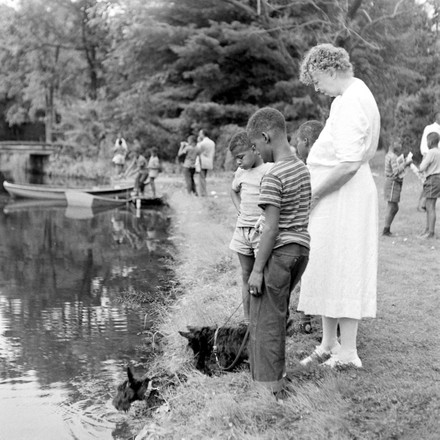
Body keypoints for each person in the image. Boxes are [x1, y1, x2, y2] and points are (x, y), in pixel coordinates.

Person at [297, 43, 380, 369]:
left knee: (344, 265)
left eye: (317, 80)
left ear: (331, 70)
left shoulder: (353, 100)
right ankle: (329, 343)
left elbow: (348, 164)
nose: (317, 89)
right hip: (337, 197)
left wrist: (315, 195)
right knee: (326, 264)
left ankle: (348, 352)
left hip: (345, 196)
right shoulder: (348, 96)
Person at [246, 107, 311, 395]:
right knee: (278, 313)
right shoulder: (301, 168)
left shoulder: (273, 175)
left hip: (280, 253)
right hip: (301, 251)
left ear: (265, 136)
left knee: (265, 321)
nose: (257, 153)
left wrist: (257, 270)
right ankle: (278, 377)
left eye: (255, 146)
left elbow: (271, 229)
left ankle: (268, 390)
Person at [228, 131, 273, 324]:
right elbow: (233, 190)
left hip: (260, 232)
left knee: (262, 275)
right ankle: (248, 320)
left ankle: (265, 319)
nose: (238, 162)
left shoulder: (269, 170)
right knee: (246, 274)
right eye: (235, 158)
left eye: (241, 156)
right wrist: (239, 209)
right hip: (242, 231)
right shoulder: (240, 173)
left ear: (254, 149)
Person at [291, 120, 324, 334]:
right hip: (319, 224)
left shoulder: (310, 168)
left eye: (297, 141)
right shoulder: (326, 165)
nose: (296, 146)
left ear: (305, 141)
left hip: (312, 225)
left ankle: (306, 316)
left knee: (308, 269)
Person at [382, 139, 412, 236]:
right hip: (392, 184)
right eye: (399, 143)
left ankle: (387, 229)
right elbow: (395, 172)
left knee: (394, 207)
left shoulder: (389, 155)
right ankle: (386, 230)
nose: (400, 145)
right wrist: (406, 164)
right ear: (393, 144)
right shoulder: (393, 156)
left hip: (393, 183)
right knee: (392, 207)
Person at [417, 132, 440, 238]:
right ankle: (427, 229)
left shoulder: (431, 152)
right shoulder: (439, 152)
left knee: (430, 206)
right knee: (429, 205)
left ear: (430, 142)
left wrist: (424, 158)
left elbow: (422, 168)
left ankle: (430, 232)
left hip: (432, 179)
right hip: (438, 179)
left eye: (427, 141)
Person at [418, 112, 440, 211]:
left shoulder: (430, 128)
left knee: (429, 182)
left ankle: (423, 204)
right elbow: (426, 143)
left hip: (432, 155)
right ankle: (422, 204)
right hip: (430, 156)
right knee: (427, 182)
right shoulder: (431, 128)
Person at [196, 129, 215, 196]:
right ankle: (204, 192)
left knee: (201, 178)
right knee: (204, 178)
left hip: (202, 161)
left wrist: (198, 142)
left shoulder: (202, 143)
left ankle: (203, 193)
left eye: (200, 133)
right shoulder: (212, 142)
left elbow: (197, 151)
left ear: (203, 134)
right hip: (209, 161)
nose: (199, 135)